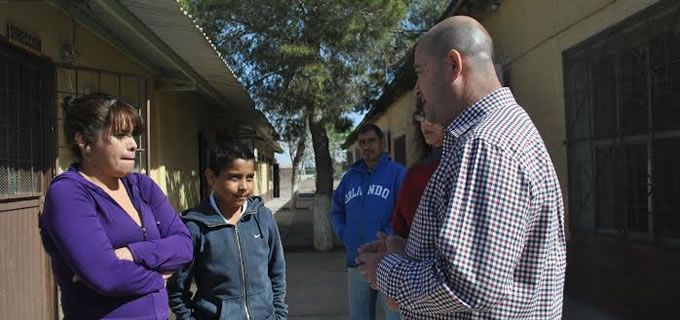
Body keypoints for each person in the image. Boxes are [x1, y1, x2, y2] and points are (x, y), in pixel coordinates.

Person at [356, 16, 566, 319]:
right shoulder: (494, 133)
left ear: (453, 66)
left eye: (420, 72)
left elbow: (466, 287)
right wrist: (405, 252)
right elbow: (479, 264)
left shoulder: (487, 145)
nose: (417, 89)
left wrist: (386, 272)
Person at [40, 93, 193, 319]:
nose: (133, 144)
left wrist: (131, 253)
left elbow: (185, 245)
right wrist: (158, 278)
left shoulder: (142, 186)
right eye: (120, 135)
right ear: (83, 141)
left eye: (133, 135)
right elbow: (106, 275)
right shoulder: (68, 193)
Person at [167, 143, 287, 320]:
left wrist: (279, 315)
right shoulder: (194, 226)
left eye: (249, 177)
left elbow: (277, 273)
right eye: (234, 178)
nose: (244, 186)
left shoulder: (263, 217)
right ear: (211, 177)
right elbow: (177, 290)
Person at [332, 124, 405, 320]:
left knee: (394, 316)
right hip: (357, 260)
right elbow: (337, 209)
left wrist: (388, 239)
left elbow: (405, 213)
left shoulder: (397, 173)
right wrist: (344, 233)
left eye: (371, 141)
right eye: (362, 143)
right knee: (359, 316)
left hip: (389, 261)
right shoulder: (349, 178)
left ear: (381, 142)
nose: (367, 147)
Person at [391, 104, 445, 239]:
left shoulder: (468, 165)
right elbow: (400, 225)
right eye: (422, 116)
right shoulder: (415, 173)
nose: (426, 123)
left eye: (433, 115)